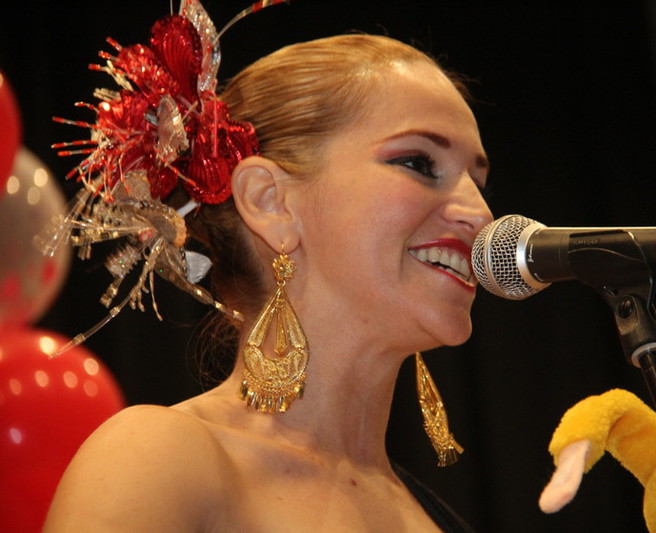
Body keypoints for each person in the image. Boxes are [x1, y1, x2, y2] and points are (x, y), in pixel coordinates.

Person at [42, 3, 492, 531]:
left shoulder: (431, 517)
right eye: (418, 163)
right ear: (269, 202)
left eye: (478, 182)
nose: (481, 214)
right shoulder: (160, 458)